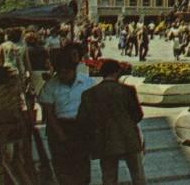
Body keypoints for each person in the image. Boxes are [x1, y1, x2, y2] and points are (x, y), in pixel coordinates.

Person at [77, 60, 146, 185]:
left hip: (104, 139)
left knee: (109, 177)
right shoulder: (127, 90)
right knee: (137, 175)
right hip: (129, 137)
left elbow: (83, 119)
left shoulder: (89, 94)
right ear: (117, 72)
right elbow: (138, 115)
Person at [39, 46, 99, 185]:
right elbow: (49, 113)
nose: (63, 74)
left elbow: (95, 108)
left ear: (74, 69)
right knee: (62, 166)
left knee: (82, 164)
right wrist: (60, 134)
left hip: (81, 128)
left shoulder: (88, 83)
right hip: (59, 127)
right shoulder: (50, 86)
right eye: (60, 71)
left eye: (67, 71)